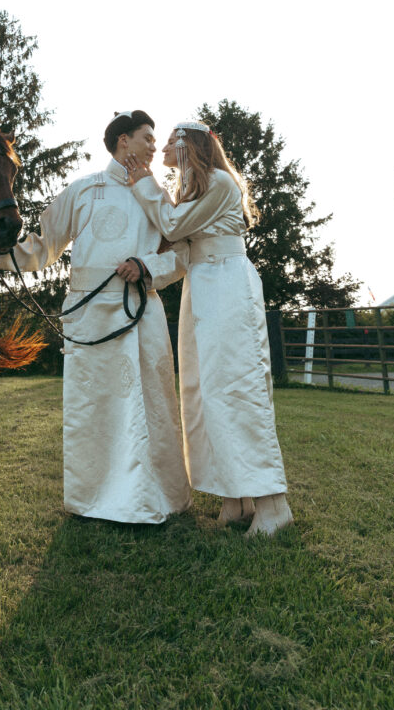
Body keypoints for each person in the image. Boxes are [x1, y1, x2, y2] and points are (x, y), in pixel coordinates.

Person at [0, 111, 191, 524]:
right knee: (94, 408)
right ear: (123, 141)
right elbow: (43, 245)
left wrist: (145, 265)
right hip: (90, 319)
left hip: (141, 313)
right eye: (147, 137)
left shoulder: (159, 198)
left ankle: (155, 497)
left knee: (150, 405)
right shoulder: (82, 191)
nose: (155, 146)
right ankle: (92, 499)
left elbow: (182, 255)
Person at [125, 121, 293, 537]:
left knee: (239, 388)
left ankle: (274, 504)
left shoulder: (220, 183)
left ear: (188, 145)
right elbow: (182, 254)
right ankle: (234, 499)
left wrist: (146, 185)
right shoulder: (194, 192)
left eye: (168, 141)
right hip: (201, 289)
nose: (161, 147)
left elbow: (173, 227)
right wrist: (144, 270)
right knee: (203, 392)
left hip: (228, 287)